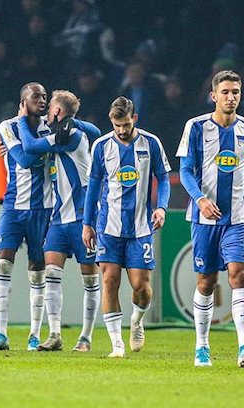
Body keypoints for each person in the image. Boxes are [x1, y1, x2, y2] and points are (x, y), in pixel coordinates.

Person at [177, 70, 244, 368]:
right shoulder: (195, 128)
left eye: (236, 92)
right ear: (213, 96)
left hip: (239, 219)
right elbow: (185, 172)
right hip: (204, 219)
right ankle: (202, 346)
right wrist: (201, 199)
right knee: (206, 281)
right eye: (225, 92)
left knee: (240, 274)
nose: (231, 97)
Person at [82, 96, 171, 358]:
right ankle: (116, 345)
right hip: (108, 227)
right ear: (111, 121)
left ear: (135, 118)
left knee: (141, 287)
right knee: (109, 280)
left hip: (140, 228)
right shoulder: (101, 146)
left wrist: (161, 207)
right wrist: (87, 224)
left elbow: (163, 177)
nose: (121, 130)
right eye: (116, 125)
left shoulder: (151, 143)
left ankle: (136, 320)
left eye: (125, 124)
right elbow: (93, 188)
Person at [14, 89, 102, 352]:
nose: (45, 110)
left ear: (57, 112)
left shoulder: (72, 136)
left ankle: (85, 338)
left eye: (49, 106)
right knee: (51, 273)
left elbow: (30, 146)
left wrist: (21, 119)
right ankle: (54, 334)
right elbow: (27, 154)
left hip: (85, 217)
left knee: (89, 278)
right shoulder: (59, 135)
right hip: (59, 218)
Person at [0, 82, 54, 351]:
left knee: (38, 271)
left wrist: (32, 150)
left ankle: (34, 335)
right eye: (36, 96)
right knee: (3, 263)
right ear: (23, 101)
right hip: (13, 206)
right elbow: (25, 160)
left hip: (43, 208)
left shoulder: (52, 127)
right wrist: (41, 150)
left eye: (45, 96)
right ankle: (1, 333)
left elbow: (24, 156)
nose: (42, 100)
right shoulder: (7, 126)